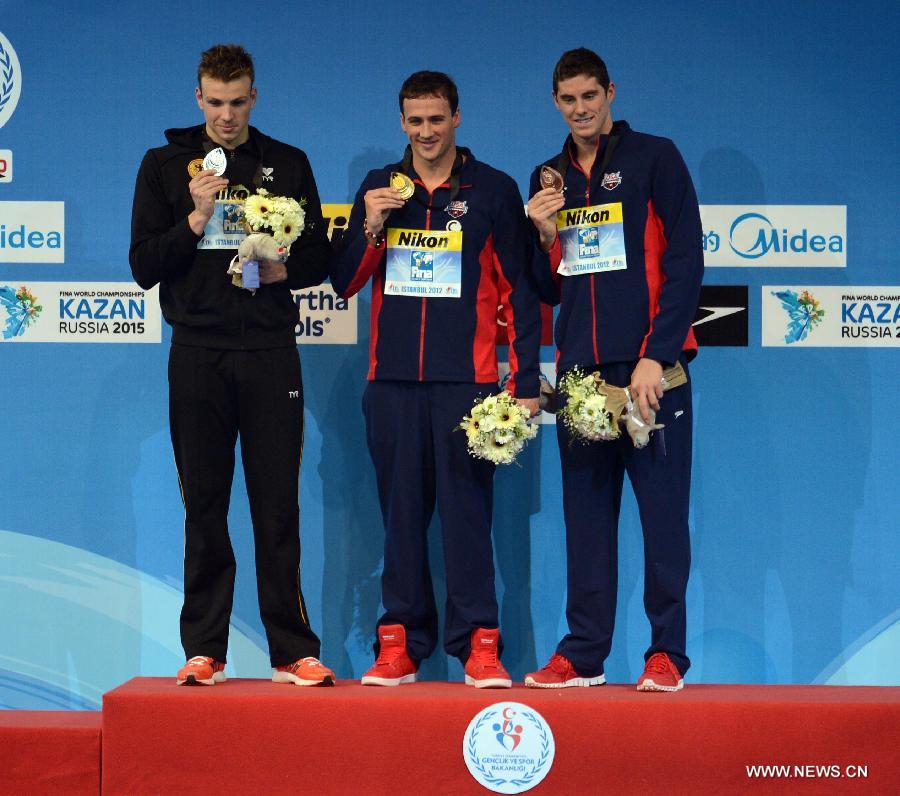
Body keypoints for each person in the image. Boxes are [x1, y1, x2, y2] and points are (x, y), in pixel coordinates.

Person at [130, 43, 335, 686]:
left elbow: (319, 258)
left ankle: (292, 650)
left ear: (254, 97)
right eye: (214, 102)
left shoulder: (287, 162)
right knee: (205, 508)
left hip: (271, 356)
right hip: (197, 354)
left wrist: (283, 269)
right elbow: (142, 266)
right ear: (198, 98)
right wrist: (193, 219)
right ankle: (205, 651)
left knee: (277, 507)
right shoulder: (165, 165)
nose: (226, 114)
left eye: (237, 101)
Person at [331, 71, 541, 688]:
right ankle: (399, 645)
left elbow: (522, 293)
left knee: (469, 521)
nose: (426, 131)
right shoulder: (379, 188)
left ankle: (479, 647)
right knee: (399, 522)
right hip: (391, 383)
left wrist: (525, 380)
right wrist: (369, 225)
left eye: (436, 119)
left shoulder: (494, 191)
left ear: (456, 118)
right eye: (414, 120)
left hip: (467, 387)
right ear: (401, 123)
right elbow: (342, 283)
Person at [524, 48, 703, 691]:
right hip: (580, 378)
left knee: (661, 518)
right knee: (587, 521)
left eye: (589, 97)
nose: (580, 110)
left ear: (610, 93)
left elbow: (685, 264)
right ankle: (584, 653)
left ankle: (666, 654)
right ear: (555, 103)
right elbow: (548, 289)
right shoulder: (548, 179)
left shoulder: (655, 158)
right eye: (568, 100)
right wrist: (541, 239)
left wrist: (659, 353)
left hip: (651, 371)